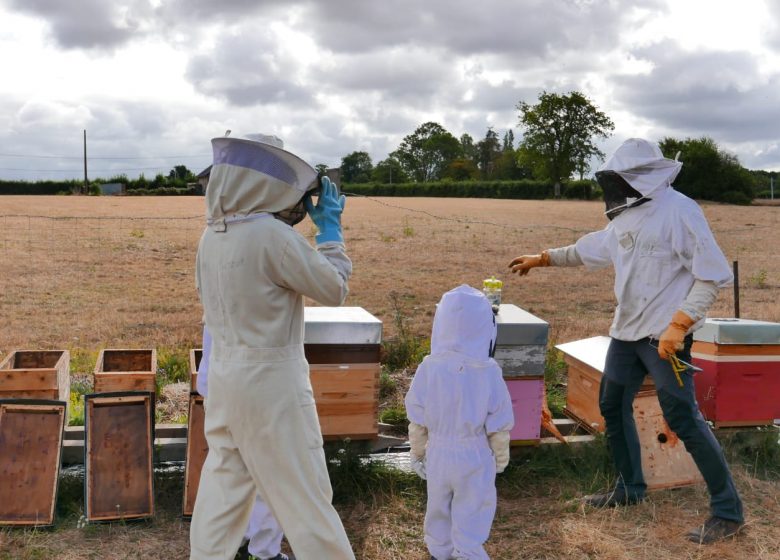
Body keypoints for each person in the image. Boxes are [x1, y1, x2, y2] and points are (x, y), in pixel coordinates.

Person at [508, 138, 744, 545]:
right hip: (626, 332)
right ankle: (629, 489)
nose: (616, 187)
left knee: (683, 417)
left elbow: (712, 274)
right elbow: (593, 248)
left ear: (642, 177)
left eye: (622, 179)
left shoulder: (680, 211)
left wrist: (680, 324)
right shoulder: (626, 217)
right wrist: (545, 257)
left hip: (664, 338)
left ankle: (728, 511)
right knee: (612, 406)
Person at [190, 133, 356, 560]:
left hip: (225, 382)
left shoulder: (212, 236)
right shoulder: (270, 236)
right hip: (272, 388)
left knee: (222, 496)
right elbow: (334, 289)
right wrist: (331, 233)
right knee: (306, 498)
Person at [405, 284, 515, 560]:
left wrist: (418, 450)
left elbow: (417, 416)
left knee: (438, 507)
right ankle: (467, 553)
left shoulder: (429, 367)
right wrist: (500, 456)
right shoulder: (489, 371)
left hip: (439, 452)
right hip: (474, 454)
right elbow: (499, 420)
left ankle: (439, 552)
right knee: (473, 508)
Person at [196, 326, 291, 560]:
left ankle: (241, 542)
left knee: (229, 478)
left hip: (220, 384)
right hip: (252, 384)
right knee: (269, 473)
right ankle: (262, 552)